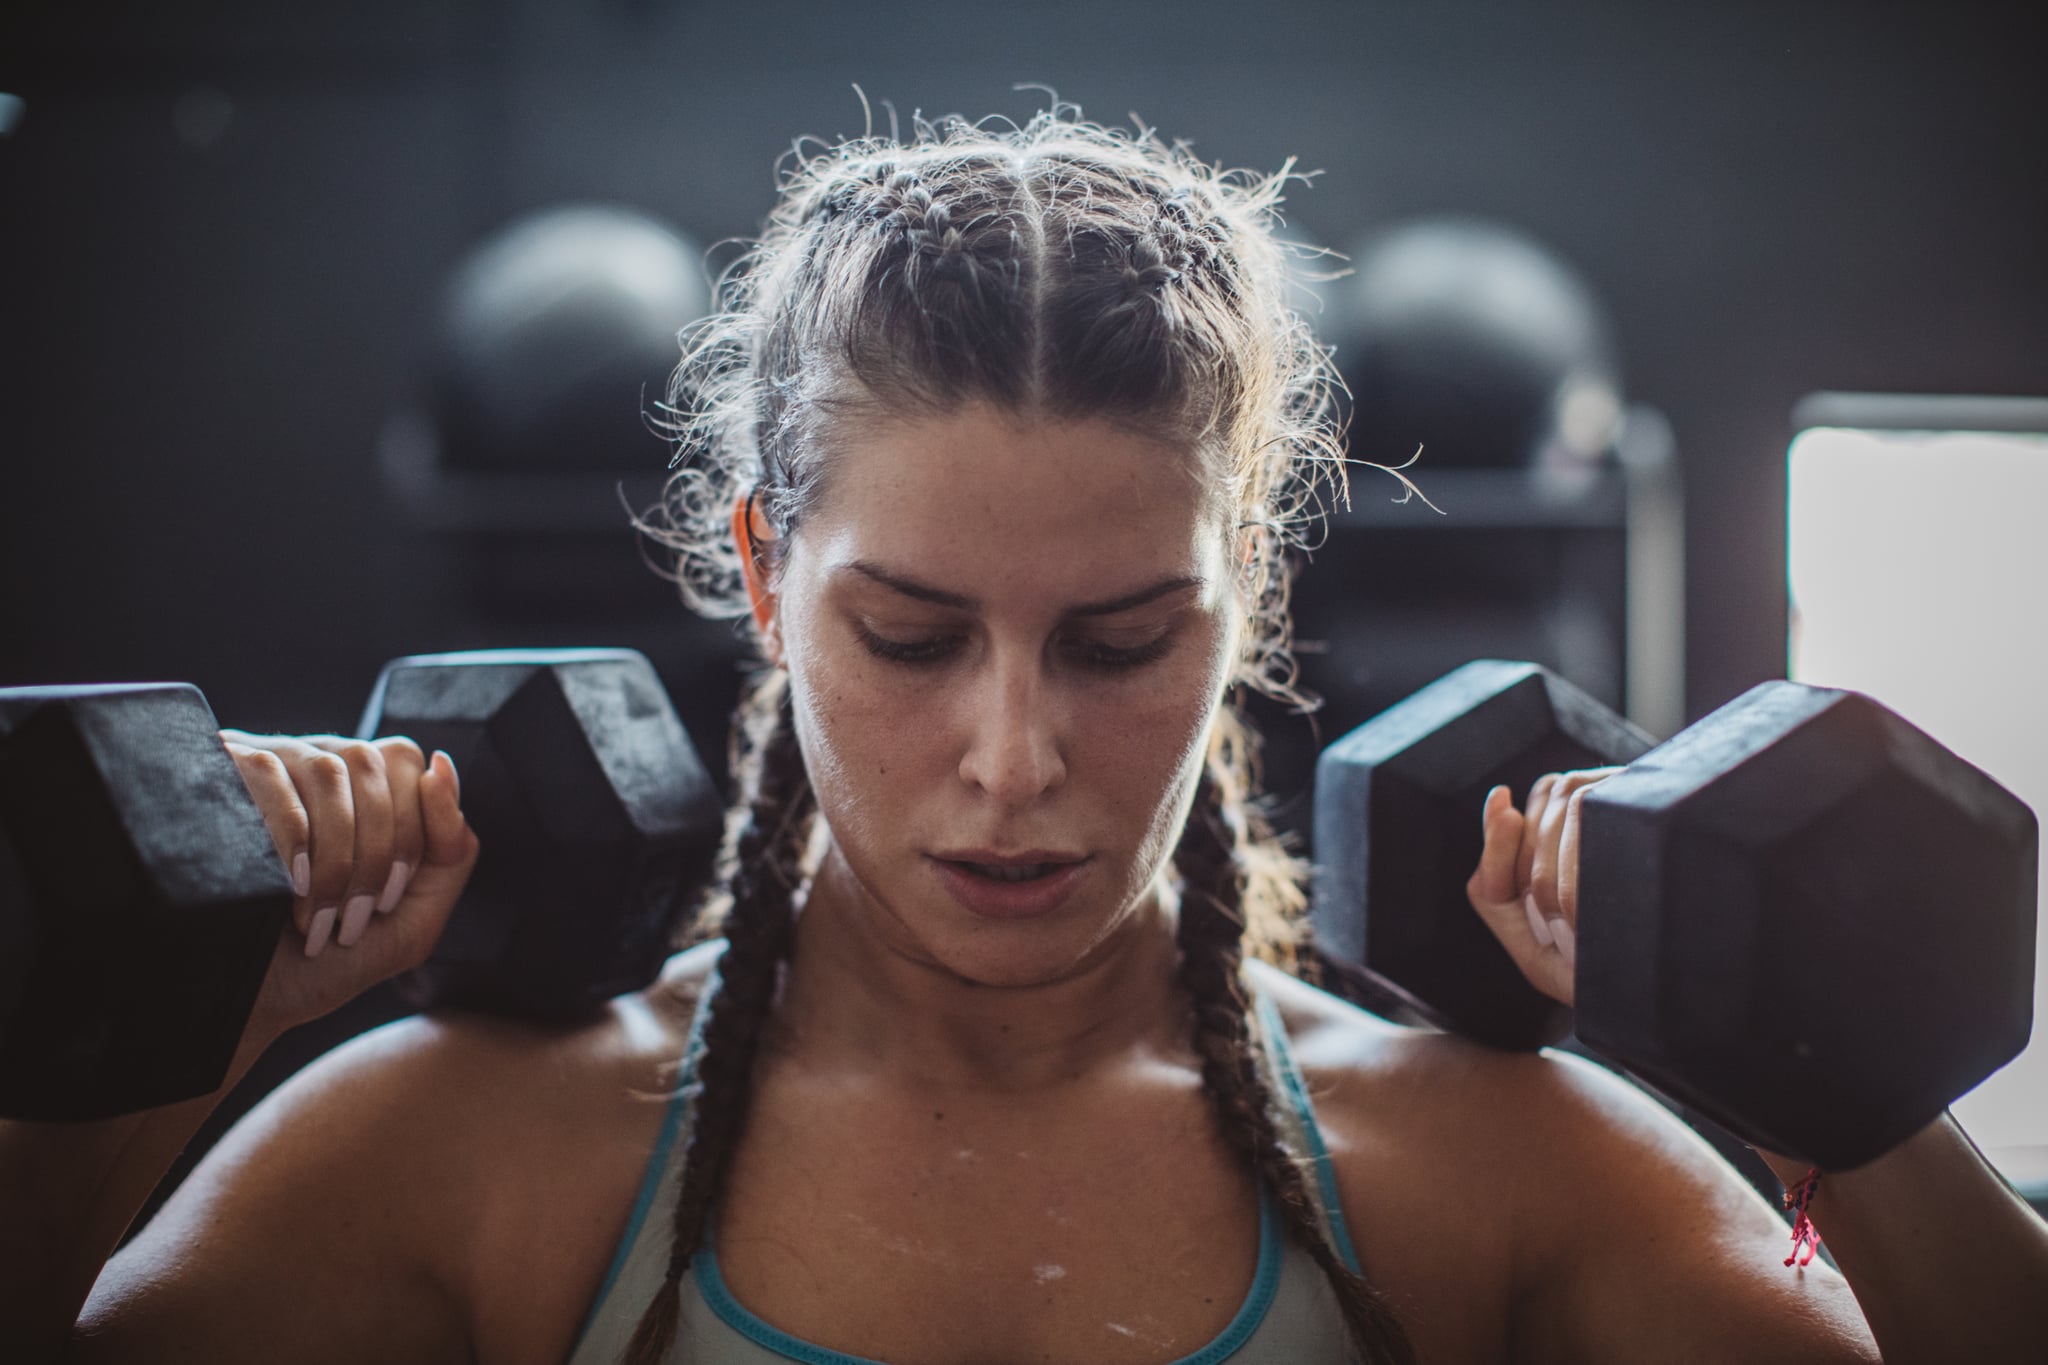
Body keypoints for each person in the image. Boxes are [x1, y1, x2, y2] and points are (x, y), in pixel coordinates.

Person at [6, 102, 2047, 1365]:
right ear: (756, 567)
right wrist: (169, 1034)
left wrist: (1827, 1090)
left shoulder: (1467, 1163)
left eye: (1120, 636)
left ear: (1244, 576)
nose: (1009, 757)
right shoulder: (480, 1151)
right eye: (905, 634)